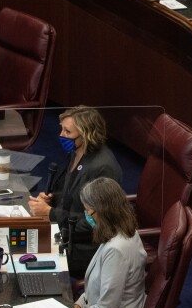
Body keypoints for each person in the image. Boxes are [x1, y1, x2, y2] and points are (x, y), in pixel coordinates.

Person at [28, 106, 122, 278]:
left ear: (86, 135)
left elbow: (94, 224)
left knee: (28, 258)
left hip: (85, 248)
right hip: (64, 232)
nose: (61, 135)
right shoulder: (77, 152)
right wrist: (50, 200)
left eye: (67, 131)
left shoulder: (103, 168)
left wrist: (50, 213)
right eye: (61, 129)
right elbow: (69, 192)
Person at [73, 177, 146, 308]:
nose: (87, 216)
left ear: (101, 212)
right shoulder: (122, 232)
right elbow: (100, 284)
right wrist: (80, 302)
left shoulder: (117, 250)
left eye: (88, 211)